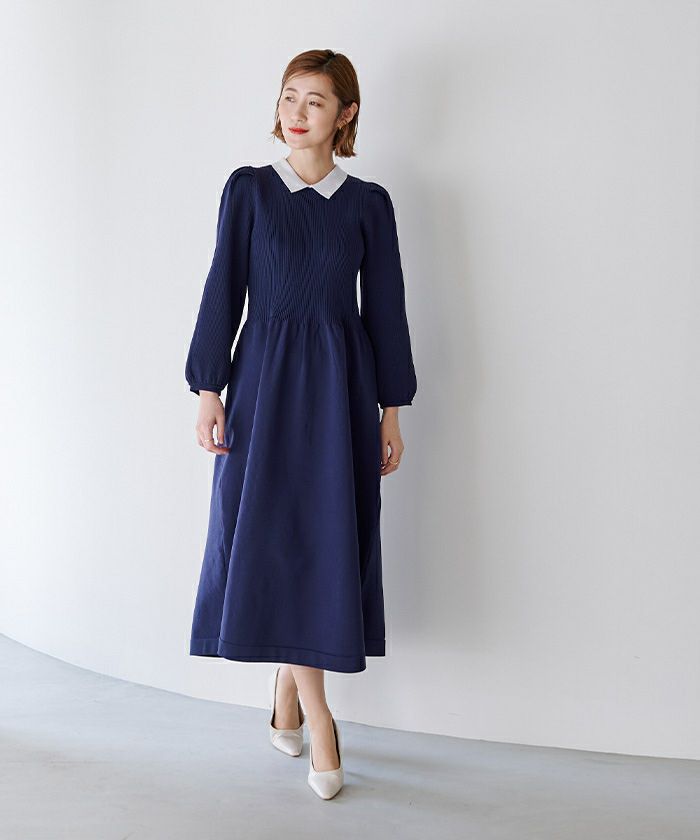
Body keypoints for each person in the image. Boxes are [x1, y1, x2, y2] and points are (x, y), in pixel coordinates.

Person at [185, 49, 417, 799]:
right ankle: (320, 717)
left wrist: (391, 409)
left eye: (315, 101)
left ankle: (289, 691)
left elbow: (386, 309)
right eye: (289, 96)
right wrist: (208, 387)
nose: (297, 112)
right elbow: (223, 286)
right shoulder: (250, 190)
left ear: (345, 114)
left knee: (322, 540)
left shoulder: (368, 203)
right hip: (263, 384)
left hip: (341, 389)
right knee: (268, 533)